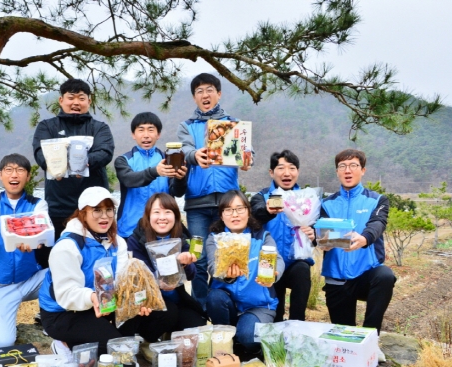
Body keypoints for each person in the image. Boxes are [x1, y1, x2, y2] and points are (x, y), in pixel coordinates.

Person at [38, 187, 178, 358]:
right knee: (114, 351)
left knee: (164, 313)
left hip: (103, 304)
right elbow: (66, 293)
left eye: (109, 210)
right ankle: (64, 343)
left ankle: (122, 337)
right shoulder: (67, 247)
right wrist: (93, 297)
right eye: (97, 210)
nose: (104, 216)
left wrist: (138, 300)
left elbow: (121, 280)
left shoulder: (117, 242)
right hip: (63, 312)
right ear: (83, 213)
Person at [176, 73, 252, 311]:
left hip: (227, 207)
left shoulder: (233, 124)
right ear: (194, 97)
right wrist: (194, 155)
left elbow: (247, 153)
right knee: (198, 259)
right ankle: (200, 310)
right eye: (199, 91)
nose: (205, 95)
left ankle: (221, 306)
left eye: (209, 90)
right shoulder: (187, 126)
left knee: (227, 255)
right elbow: (185, 150)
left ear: (218, 94)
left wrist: (247, 160)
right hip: (197, 205)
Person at [32, 78, 115, 267]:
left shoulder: (99, 128)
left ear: (89, 101)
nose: (76, 103)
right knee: (53, 261)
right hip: (58, 207)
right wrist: (65, 164)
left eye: (81, 98)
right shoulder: (47, 126)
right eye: (71, 98)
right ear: (61, 100)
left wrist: (81, 163)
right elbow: (41, 155)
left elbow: (105, 153)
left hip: (93, 209)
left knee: (94, 262)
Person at [0, 154, 49, 348]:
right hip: (0, 285)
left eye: (20, 170)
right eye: (9, 170)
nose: (15, 175)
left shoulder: (38, 205)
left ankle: (51, 320)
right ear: (1, 175)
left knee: (61, 272)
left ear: (28, 176)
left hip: (32, 280)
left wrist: (34, 240)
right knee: (3, 343)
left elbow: (43, 235)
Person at [319, 149, 395, 334]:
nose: (348, 170)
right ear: (337, 171)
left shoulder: (377, 200)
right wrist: (319, 240)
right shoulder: (326, 204)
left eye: (353, 165)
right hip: (337, 277)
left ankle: (371, 337)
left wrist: (365, 238)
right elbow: (320, 235)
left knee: (385, 276)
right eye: (342, 166)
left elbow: (378, 223)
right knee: (345, 335)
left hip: (366, 275)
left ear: (363, 170)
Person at [205, 190, 284, 355]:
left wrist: (274, 274)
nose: (235, 214)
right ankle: (227, 343)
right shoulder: (215, 239)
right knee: (214, 297)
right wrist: (226, 274)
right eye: (228, 210)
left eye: (240, 209)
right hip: (228, 305)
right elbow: (213, 267)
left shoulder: (262, 236)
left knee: (248, 337)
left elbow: (277, 259)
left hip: (258, 306)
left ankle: (248, 341)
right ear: (221, 215)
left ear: (248, 212)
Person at [127, 193, 207, 330]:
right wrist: (160, 280)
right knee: (169, 313)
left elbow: (191, 274)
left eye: (168, 212)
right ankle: (148, 340)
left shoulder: (181, 237)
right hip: (148, 302)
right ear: (148, 216)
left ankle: (170, 335)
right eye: (156, 212)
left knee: (197, 324)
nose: (162, 217)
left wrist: (184, 263)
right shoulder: (136, 240)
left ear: (175, 216)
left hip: (176, 298)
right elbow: (137, 276)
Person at [251, 150, 315, 321]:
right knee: (276, 313)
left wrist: (314, 233)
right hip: (269, 263)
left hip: (296, 263)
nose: (287, 173)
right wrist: (268, 210)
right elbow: (256, 213)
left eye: (292, 168)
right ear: (271, 172)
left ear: (298, 172)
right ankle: (275, 331)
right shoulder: (261, 197)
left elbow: (318, 226)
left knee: (302, 270)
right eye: (281, 168)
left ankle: (297, 325)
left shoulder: (308, 198)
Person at [115, 112, 187, 239]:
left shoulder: (168, 159)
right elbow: (129, 180)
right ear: (133, 134)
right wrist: (155, 172)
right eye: (141, 130)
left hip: (162, 228)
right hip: (130, 229)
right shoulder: (123, 160)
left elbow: (177, 192)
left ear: (158, 134)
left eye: (151, 130)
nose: (146, 135)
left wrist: (180, 179)